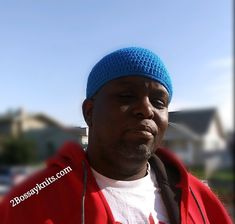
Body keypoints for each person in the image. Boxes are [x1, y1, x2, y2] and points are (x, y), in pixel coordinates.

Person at [0, 47, 232, 224]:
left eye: (158, 101)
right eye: (126, 96)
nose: (147, 109)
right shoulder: (31, 200)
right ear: (89, 112)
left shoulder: (198, 197)